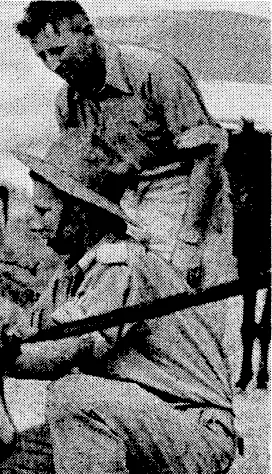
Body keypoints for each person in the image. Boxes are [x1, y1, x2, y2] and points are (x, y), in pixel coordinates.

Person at [0, 131, 238, 474]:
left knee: (72, 394)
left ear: (80, 213)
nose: (35, 224)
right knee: (16, 458)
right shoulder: (72, 274)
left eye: (44, 211)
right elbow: (29, 328)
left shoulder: (119, 264)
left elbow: (66, 351)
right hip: (149, 425)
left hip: (196, 434)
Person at [15, 0, 234, 289]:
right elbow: (81, 183)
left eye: (58, 50)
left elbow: (209, 153)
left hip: (186, 193)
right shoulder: (67, 103)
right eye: (42, 56)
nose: (53, 65)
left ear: (88, 33)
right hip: (126, 201)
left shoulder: (155, 72)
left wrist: (190, 239)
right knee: (114, 285)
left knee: (184, 289)